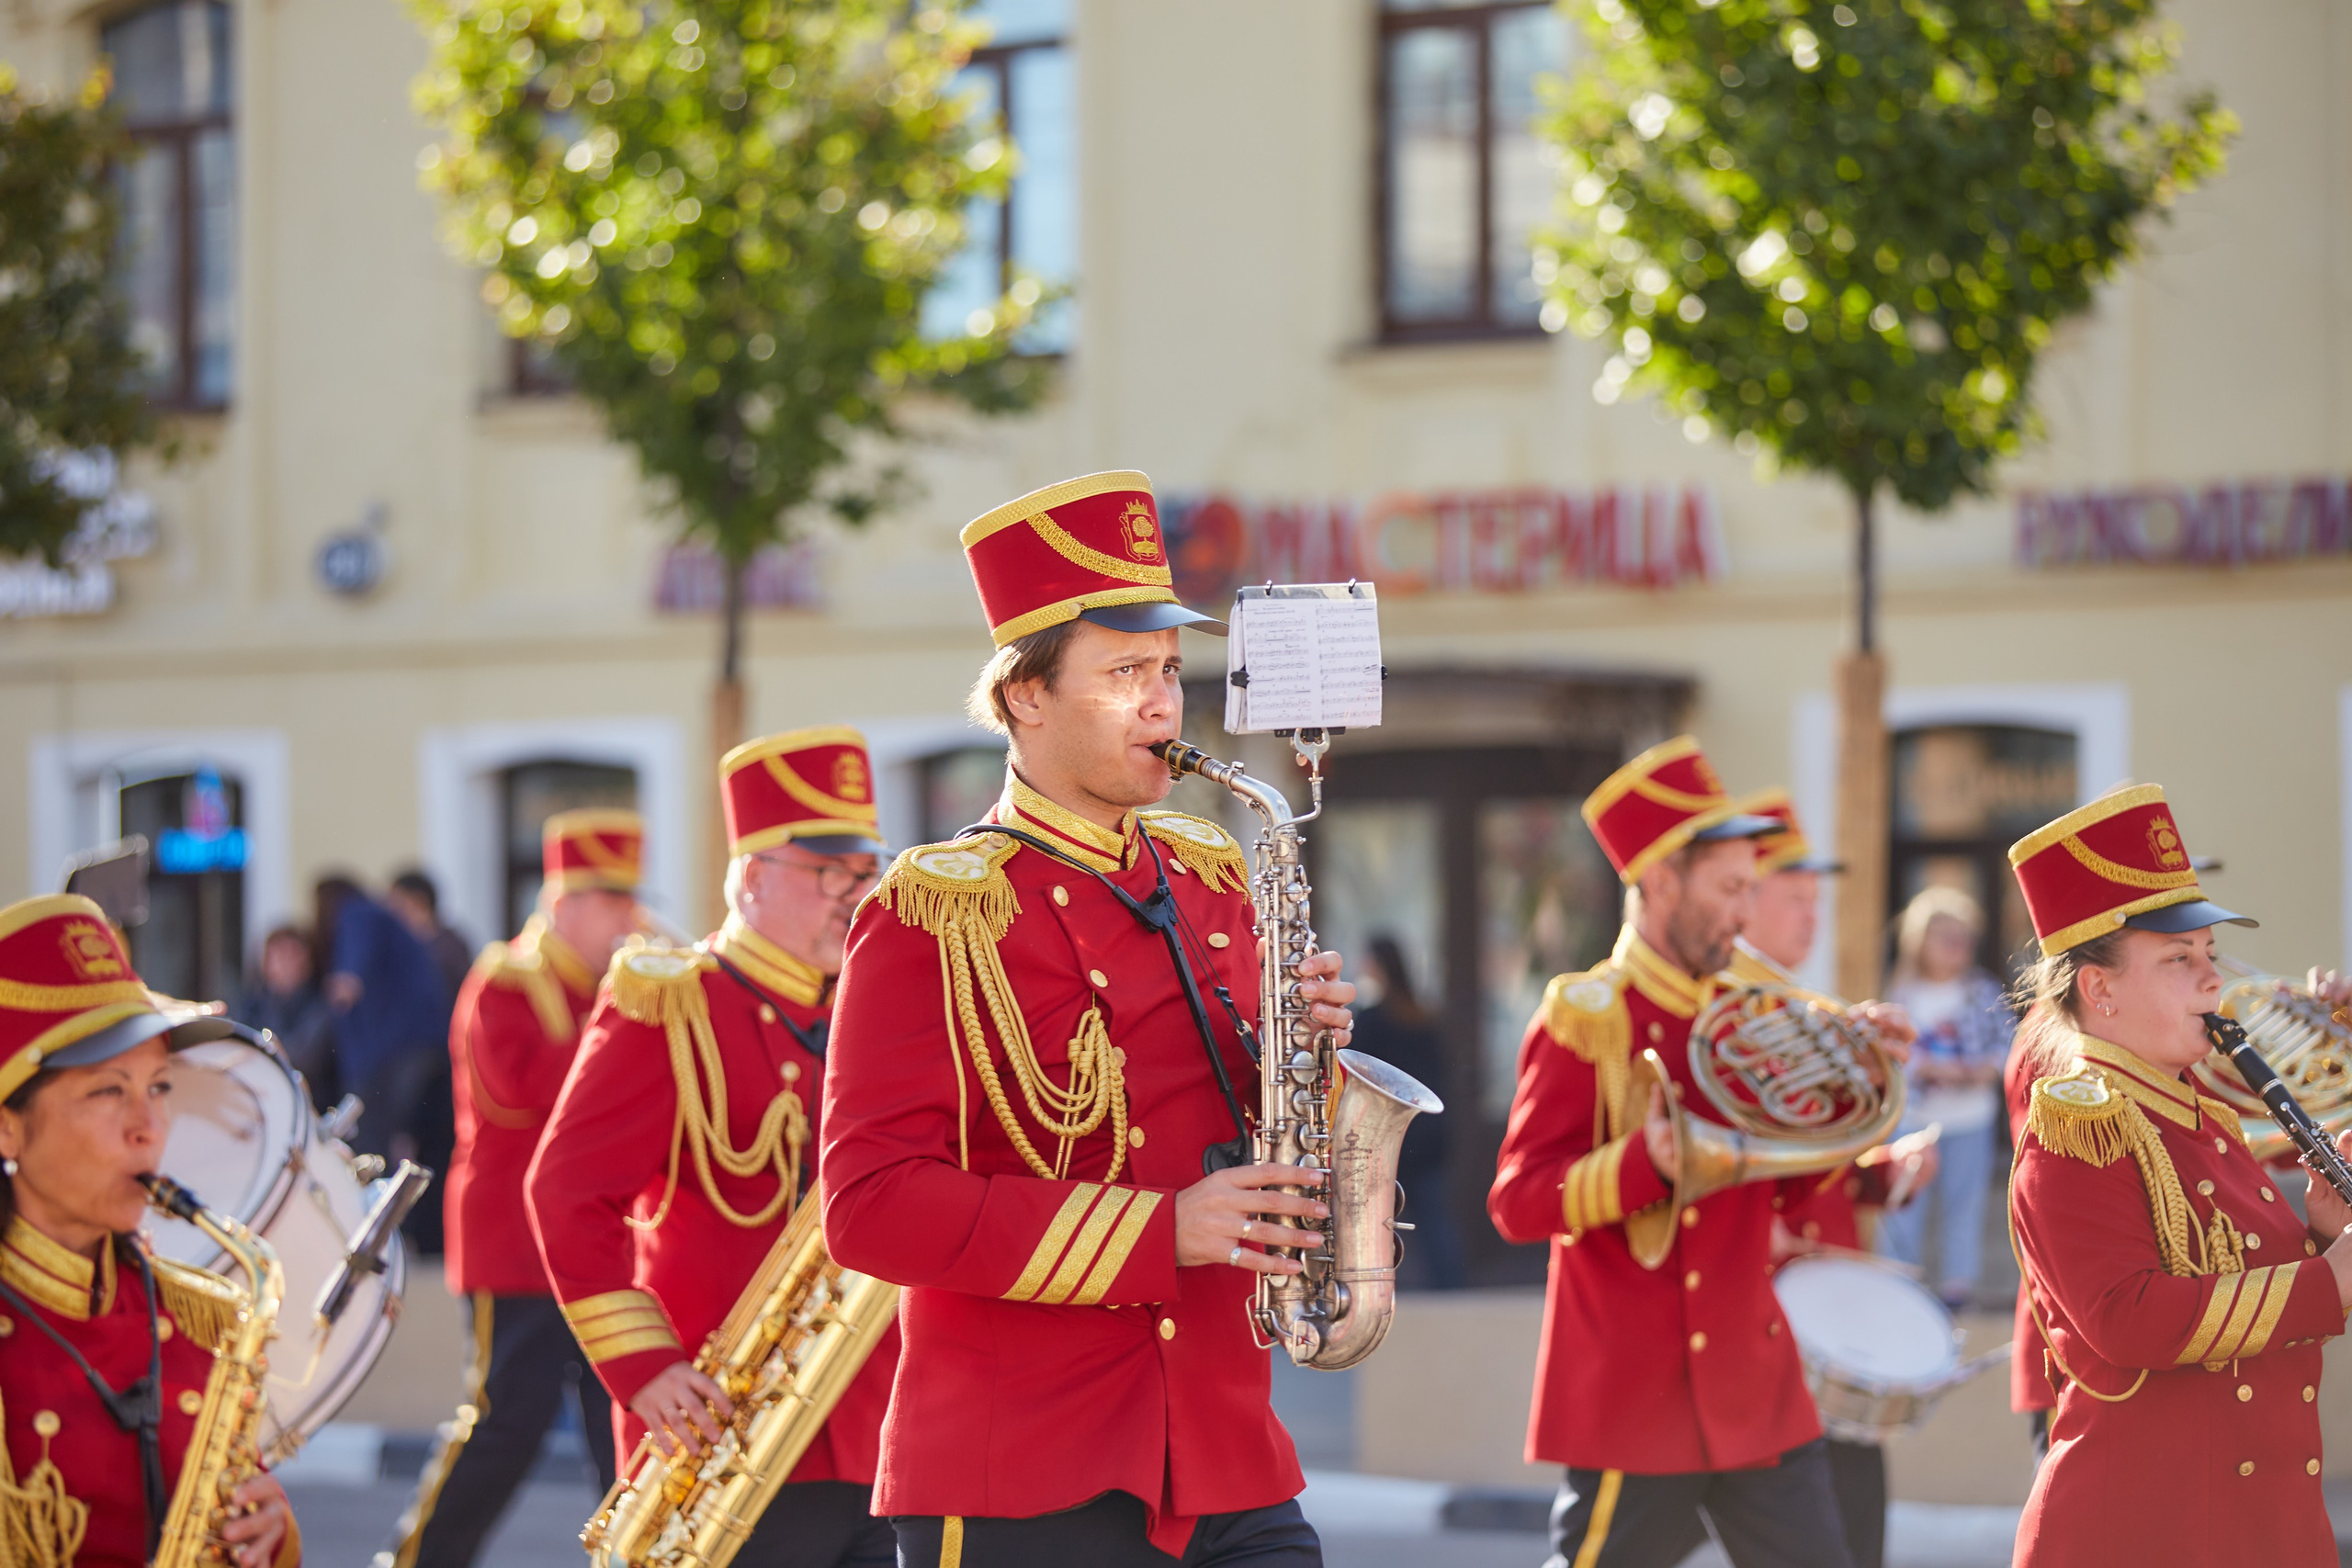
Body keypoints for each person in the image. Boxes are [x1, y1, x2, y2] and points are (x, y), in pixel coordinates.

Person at [821, 470, 1356, 1567]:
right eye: (1122, 673)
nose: (1162, 705)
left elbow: (1255, 1123)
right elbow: (869, 1208)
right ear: (1026, 695)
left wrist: (1309, 1056)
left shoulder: (1209, 874)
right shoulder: (933, 909)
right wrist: (1158, 1234)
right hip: (1022, 1468)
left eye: (1167, 670)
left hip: (1224, 1447)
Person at [1488, 736, 1912, 1568]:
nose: (1745, 913)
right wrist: (1646, 1164)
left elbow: (1790, 1192)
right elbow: (1519, 1200)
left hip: (1755, 1383)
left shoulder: (1759, 1012)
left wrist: (1853, 1088)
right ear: (1660, 882)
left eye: (1750, 889)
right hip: (1635, 1392)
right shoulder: (1587, 1017)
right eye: (1728, 889)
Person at [528, 729, 899, 1568]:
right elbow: (566, 1193)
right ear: (753, 876)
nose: (853, 895)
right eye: (829, 873)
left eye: (863, 873)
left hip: (876, 1423)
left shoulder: (870, 1008)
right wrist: (645, 1367)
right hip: (729, 1432)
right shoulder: (672, 1003)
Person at [2004, 784, 2352, 1566]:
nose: (2211, 980)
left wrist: (2321, 1236)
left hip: (2256, 1526)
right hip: (2142, 1533)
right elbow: (2130, 1318)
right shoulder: (2078, 1129)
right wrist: (2332, 1276)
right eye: (2178, 959)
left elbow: (2234, 1281)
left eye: (2209, 956)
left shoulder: (2202, 1114)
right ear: (2099, 988)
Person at [379, 812, 648, 1568]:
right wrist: (628, 1013)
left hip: (598, 1244)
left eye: (629, 900)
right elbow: (524, 1091)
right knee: (506, 1422)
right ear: (562, 904)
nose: (627, 918)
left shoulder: (607, 986)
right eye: (610, 901)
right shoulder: (505, 980)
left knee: (618, 1422)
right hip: (517, 1245)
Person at [0, 893, 299, 1568]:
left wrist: (272, 1534)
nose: (148, 1127)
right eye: (108, 1090)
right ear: (7, 1126)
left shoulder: (203, 1319)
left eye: (159, 1087)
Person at [1726, 790, 1933, 1568]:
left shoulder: (1808, 1012)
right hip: (1761, 1318)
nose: (1811, 915)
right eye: (1794, 897)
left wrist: (1886, 1173)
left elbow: (1823, 1170)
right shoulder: (1722, 1020)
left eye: (1817, 899)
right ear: (1743, 901)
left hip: (1831, 1315)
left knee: (1853, 1525)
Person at [1877, 886, 2017, 1310]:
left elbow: (2008, 1043)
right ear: (1921, 941)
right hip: (1913, 1118)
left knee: (1963, 1204)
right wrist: (1929, 1068)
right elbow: (1886, 1055)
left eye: (1963, 938)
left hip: (1969, 1118)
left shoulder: (1982, 990)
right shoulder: (1902, 993)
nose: (1957, 946)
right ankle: (1898, 1285)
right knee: (1902, 1203)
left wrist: (1985, 1069)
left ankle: (1958, 1290)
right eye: (1947, 937)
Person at [318, 876, 456, 1165]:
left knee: (376, 1149)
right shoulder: (392, 927)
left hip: (388, 1054)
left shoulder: (356, 914)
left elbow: (348, 984)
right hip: (421, 1047)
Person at [1351, 935, 1462, 1289]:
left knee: (1379, 1218)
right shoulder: (1422, 1016)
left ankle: (1382, 1285)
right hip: (1426, 1135)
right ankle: (1450, 1290)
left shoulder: (1372, 1020)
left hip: (1389, 1136)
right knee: (1433, 1220)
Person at [239, 922, 338, 1111]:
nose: (283, 964)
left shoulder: (320, 1005)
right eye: (277, 955)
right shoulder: (252, 1006)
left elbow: (304, 1058)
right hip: (261, 1106)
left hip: (310, 1108)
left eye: (291, 955)